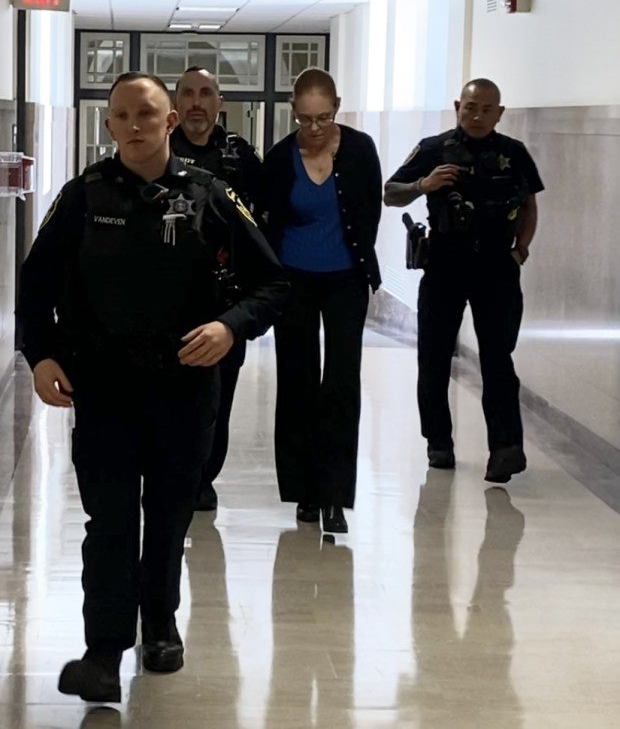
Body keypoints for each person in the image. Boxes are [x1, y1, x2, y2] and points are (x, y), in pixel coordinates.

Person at [16, 72, 287, 703]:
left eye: (147, 114)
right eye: (122, 116)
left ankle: (161, 625)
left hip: (184, 386)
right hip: (104, 386)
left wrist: (229, 325)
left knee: (168, 515)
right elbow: (35, 289)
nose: (134, 126)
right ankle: (104, 651)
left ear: (171, 123)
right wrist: (41, 355)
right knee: (108, 520)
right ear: (107, 126)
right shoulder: (82, 197)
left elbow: (271, 284)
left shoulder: (209, 196)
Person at [384, 78, 544, 482]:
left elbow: (529, 205)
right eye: (470, 107)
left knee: (498, 359)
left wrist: (520, 250)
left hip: (497, 269)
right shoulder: (434, 148)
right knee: (434, 358)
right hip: (444, 266)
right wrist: (424, 184)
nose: (477, 115)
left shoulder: (515, 153)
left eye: (487, 109)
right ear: (458, 105)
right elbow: (390, 193)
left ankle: (506, 449)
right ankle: (438, 441)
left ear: (500, 113)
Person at [260, 68, 382, 534]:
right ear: (293, 111)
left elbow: (369, 211)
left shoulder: (360, 149)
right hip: (293, 280)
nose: (315, 128)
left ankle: (336, 496)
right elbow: (267, 224)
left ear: (338, 108)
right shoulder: (279, 159)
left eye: (324, 118)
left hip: (346, 279)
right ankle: (304, 491)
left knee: (341, 383)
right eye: (306, 119)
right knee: (298, 381)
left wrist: (355, 263)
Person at [171, 66, 262, 511]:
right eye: (187, 93)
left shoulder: (240, 159)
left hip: (224, 303)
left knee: (218, 399)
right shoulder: (159, 150)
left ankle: (205, 479)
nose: (195, 102)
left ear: (219, 102)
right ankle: (173, 475)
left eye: (205, 93)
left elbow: (267, 219)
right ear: (175, 103)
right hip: (167, 302)